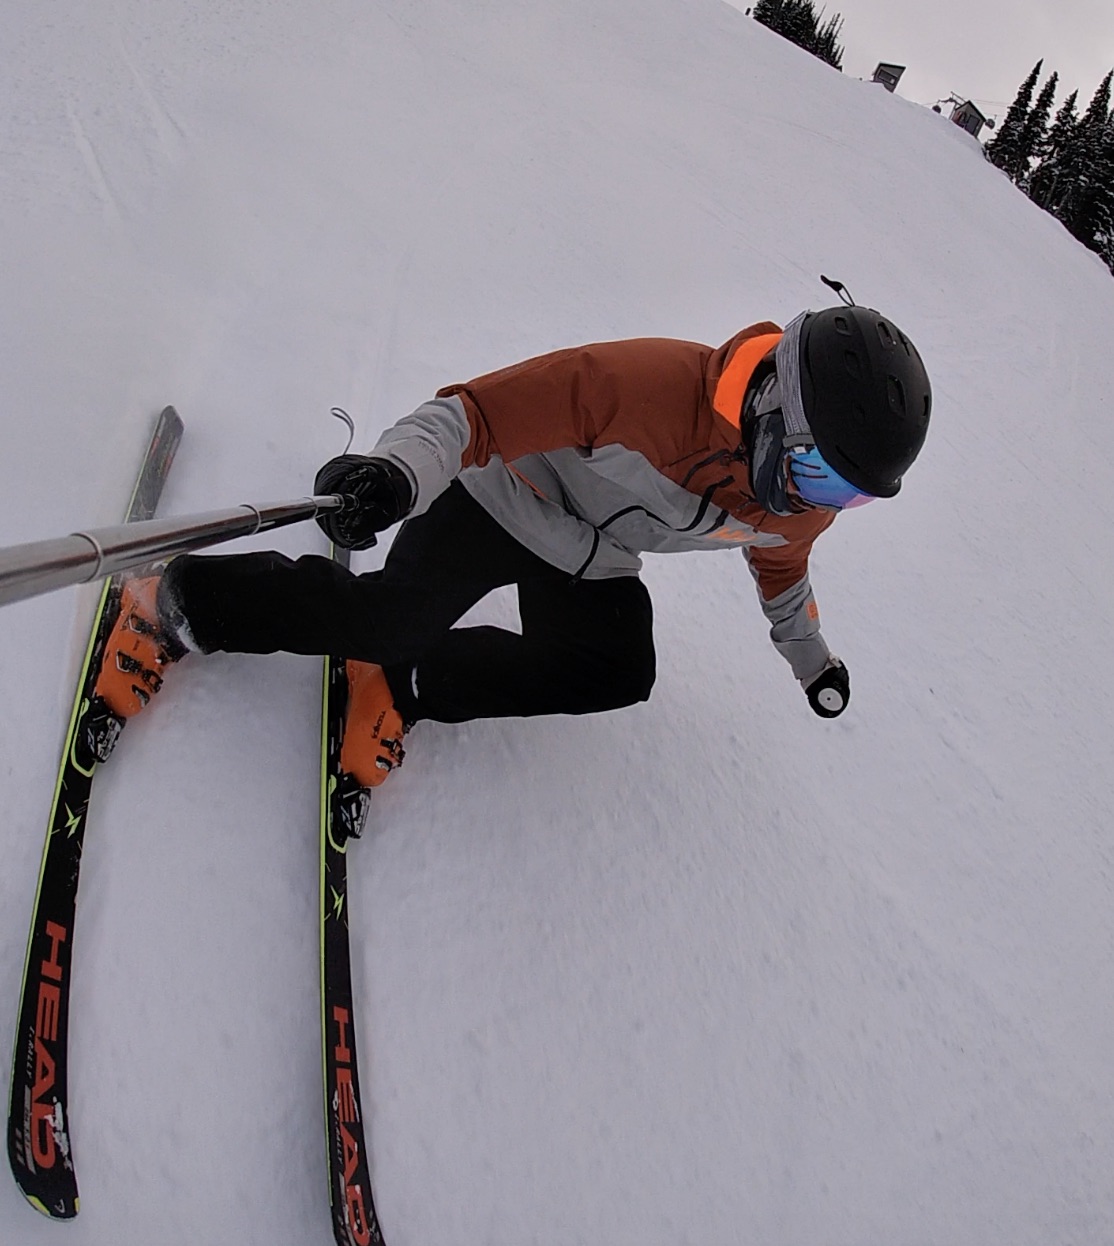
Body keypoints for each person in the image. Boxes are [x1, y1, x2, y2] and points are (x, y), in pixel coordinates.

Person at [90, 301, 931, 790]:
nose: (817, 503)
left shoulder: (797, 504)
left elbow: (783, 569)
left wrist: (811, 659)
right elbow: (472, 416)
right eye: (821, 473)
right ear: (777, 407)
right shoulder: (644, 387)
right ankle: (181, 600)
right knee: (388, 618)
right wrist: (393, 473)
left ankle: (411, 686)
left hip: (588, 554)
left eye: (849, 494)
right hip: (502, 494)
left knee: (616, 670)